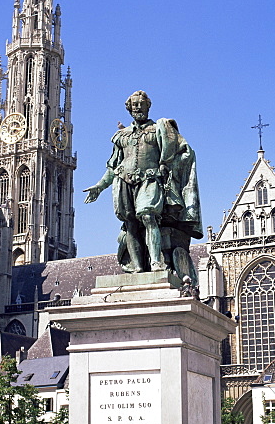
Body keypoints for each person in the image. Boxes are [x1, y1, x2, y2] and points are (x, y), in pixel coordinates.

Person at [83, 90, 202, 282]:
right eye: (135, 104)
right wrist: (99, 186)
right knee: (129, 224)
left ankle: (156, 262)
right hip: (124, 181)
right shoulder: (121, 135)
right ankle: (137, 267)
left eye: (142, 104)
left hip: (150, 179)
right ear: (129, 109)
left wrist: (169, 165)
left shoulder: (159, 129)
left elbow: (184, 151)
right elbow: (114, 166)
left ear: (148, 106)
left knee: (148, 216)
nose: (138, 107)